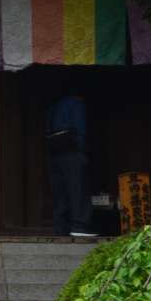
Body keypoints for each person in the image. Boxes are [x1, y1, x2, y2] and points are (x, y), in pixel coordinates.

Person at [46, 92, 96, 238]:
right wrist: (83, 150)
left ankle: (60, 227)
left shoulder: (53, 106)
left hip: (54, 150)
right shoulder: (76, 104)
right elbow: (81, 129)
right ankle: (80, 225)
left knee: (60, 191)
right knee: (77, 188)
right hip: (73, 151)